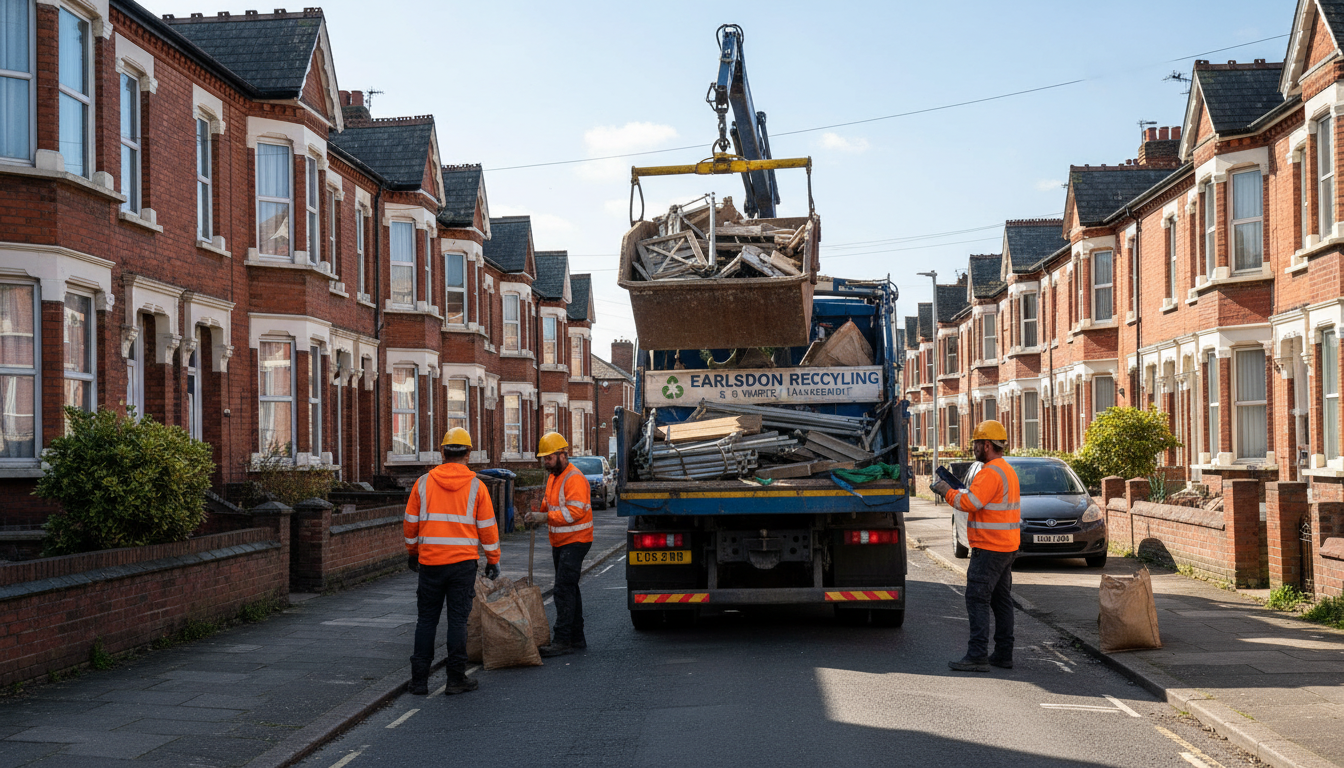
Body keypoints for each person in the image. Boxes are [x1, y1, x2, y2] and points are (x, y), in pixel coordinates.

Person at [404, 427, 499, 695]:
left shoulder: (422, 483)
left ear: (442, 452)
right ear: (468, 454)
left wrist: (413, 553)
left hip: (430, 563)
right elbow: (488, 529)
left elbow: (410, 525)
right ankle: (456, 679)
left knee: (426, 621)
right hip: (462, 565)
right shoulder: (477, 487)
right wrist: (493, 560)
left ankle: (419, 681)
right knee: (457, 621)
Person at [929, 420, 1021, 673]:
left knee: (977, 599)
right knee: (1001, 601)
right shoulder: (1006, 470)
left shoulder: (990, 472)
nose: (974, 448)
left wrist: (946, 490)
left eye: (977, 443)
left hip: (989, 548)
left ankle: (977, 655)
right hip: (1006, 547)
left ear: (988, 445)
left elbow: (971, 503)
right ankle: (1003, 654)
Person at [528, 431, 592, 657]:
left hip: (575, 540)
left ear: (563, 455)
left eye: (549, 458)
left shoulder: (574, 478)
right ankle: (577, 638)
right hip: (561, 540)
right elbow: (550, 502)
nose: (545, 462)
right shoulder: (554, 477)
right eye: (544, 458)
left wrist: (545, 517)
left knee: (563, 589)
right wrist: (539, 511)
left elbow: (576, 511)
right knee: (570, 589)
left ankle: (562, 640)